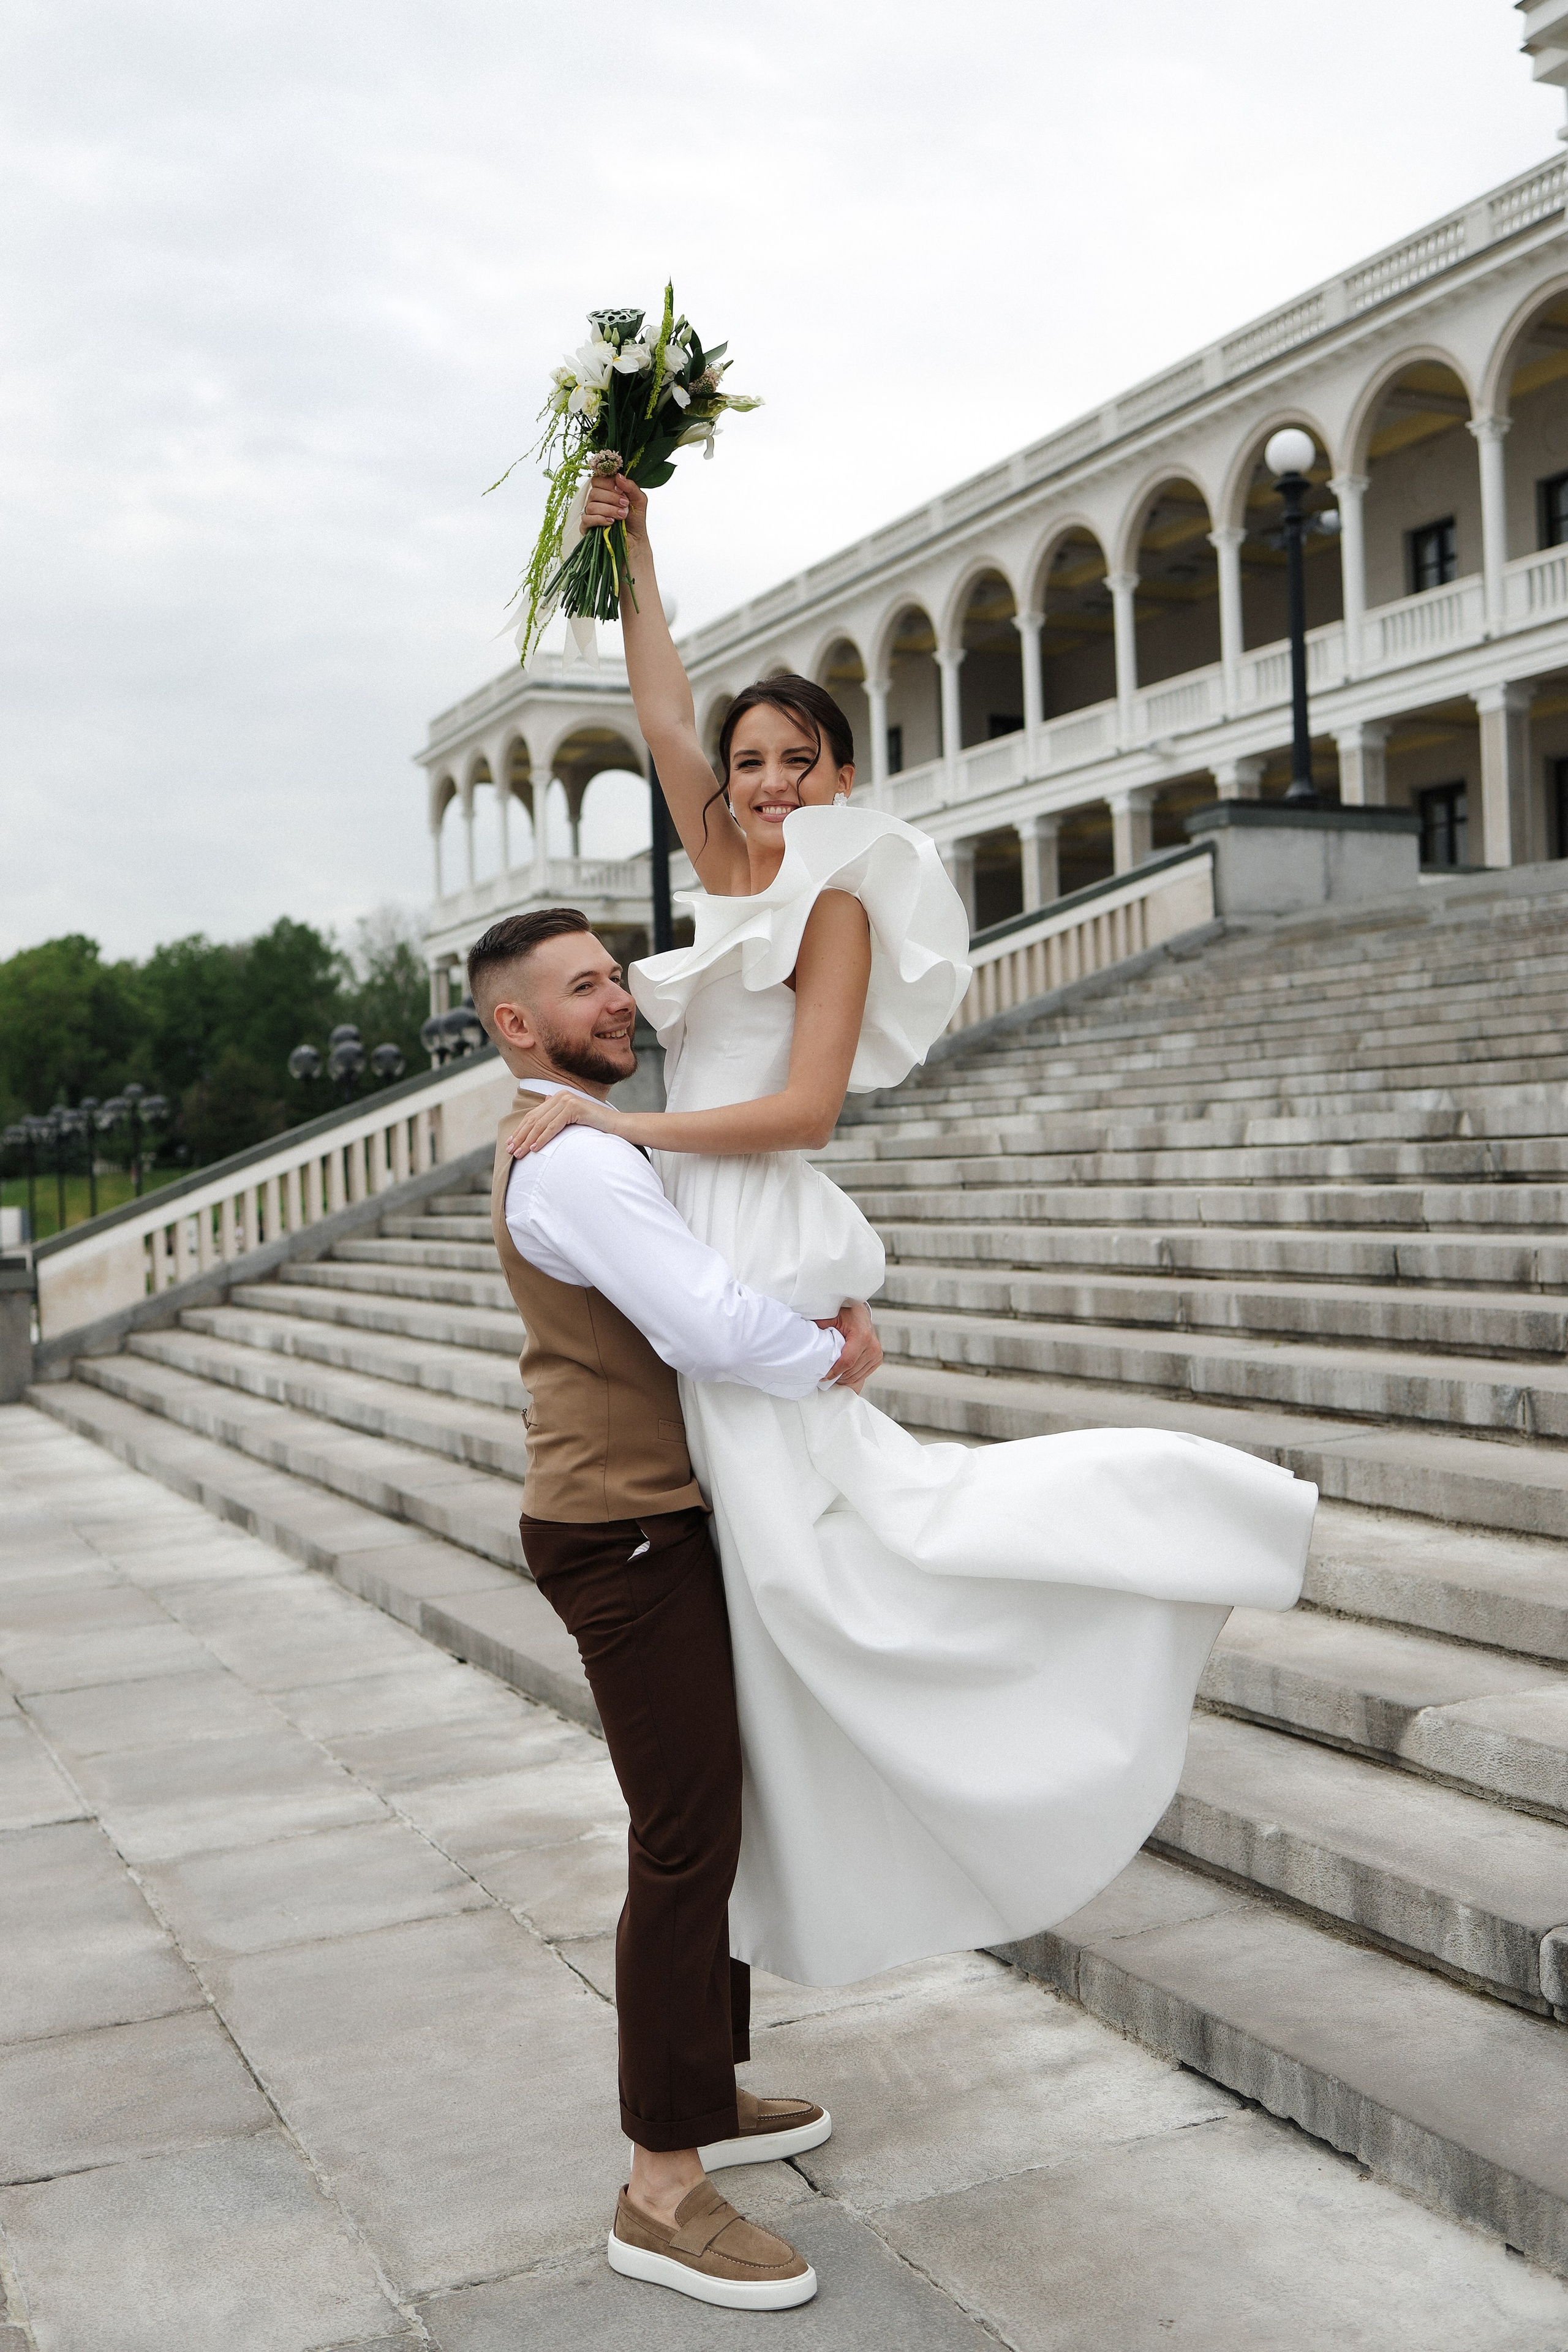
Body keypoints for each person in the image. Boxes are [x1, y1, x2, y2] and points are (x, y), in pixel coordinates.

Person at [504, 467, 1319, 2003]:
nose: (755, 782)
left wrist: (628, 1129)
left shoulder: (835, 903)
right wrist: (637, 543)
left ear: (834, 774)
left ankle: (1170, 1529)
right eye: (745, 763)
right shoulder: (728, 855)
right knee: (770, 1585)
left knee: (833, 1565)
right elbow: (659, 707)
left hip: (741, 1202)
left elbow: (806, 1110)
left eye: (788, 761)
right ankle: (767, 1912)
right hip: (693, 1215)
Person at [469, 906, 883, 2313]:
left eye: (615, 980)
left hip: (648, 1521)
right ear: (514, 1024)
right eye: (584, 989)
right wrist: (828, 1352)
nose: (617, 1003)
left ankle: (704, 2087)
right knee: (682, 1835)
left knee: (712, 1814)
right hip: (618, 1533)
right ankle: (658, 2185)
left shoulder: (586, 1139)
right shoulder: (574, 1161)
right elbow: (704, 1321)